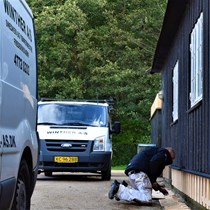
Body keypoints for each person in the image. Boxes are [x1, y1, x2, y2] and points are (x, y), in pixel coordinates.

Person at [108, 146, 176, 203]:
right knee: (147, 198)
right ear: (169, 153)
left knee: (138, 193)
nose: (169, 162)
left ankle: (124, 188)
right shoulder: (164, 153)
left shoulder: (154, 151)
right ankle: (119, 189)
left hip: (133, 173)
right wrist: (153, 181)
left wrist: (159, 188)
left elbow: (152, 167)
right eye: (171, 159)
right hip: (140, 174)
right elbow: (154, 163)